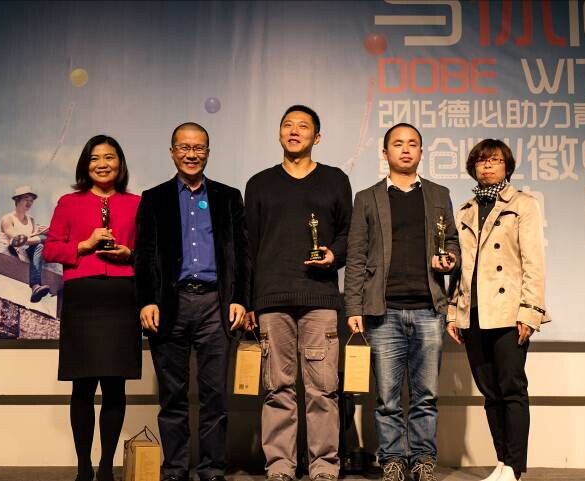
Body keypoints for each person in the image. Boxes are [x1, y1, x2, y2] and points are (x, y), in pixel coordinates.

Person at [344, 123, 460, 481]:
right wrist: (354, 308)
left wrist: (450, 259)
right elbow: (356, 256)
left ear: (421, 152)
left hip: (429, 309)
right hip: (383, 312)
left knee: (426, 395)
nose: (405, 149)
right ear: (385, 153)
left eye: (413, 144)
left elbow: (452, 241)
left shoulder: (439, 194)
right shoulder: (367, 198)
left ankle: (423, 459)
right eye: (398, 144)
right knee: (387, 397)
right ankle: (393, 459)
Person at [134, 122, 249, 481]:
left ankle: (212, 469)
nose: (191, 154)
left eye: (198, 148)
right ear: (172, 152)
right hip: (171, 305)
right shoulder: (154, 198)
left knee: (215, 396)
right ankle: (175, 469)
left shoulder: (228, 197)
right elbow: (144, 255)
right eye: (184, 147)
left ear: (208, 153)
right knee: (173, 396)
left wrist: (240, 299)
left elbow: (242, 254)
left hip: (216, 305)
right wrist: (147, 300)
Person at [244, 105, 353, 481]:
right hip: (271, 300)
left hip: (320, 298)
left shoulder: (335, 179)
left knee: (323, 389)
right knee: (277, 388)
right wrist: (250, 301)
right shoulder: (259, 184)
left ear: (316, 137)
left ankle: (324, 466)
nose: (294, 131)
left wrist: (334, 254)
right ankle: (280, 466)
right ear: (279, 133)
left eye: (303, 126)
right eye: (288, 125)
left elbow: (349, 233)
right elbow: (249, 247)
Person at [446, 139, 550, 481]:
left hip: (508, 312)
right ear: (473, 168)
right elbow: (461, 269)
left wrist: (530, 311)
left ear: (507, 167)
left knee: (512, 389)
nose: (487, 166)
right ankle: (503, 461)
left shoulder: (523, 205)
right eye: (481, 161)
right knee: (490, 393)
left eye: (494, 161)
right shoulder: (465, 210)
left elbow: (534, 262)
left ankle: (514, 466)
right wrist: (453, 311)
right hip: (473, 312)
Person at [43, 135, 141, 481]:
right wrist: (83, 245)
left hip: (121, 296)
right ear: (85, 165)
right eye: (95, 158)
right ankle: (84, 467)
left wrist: (130, 254)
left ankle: (106, 467)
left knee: (115, 386)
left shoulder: (137, 203)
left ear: (120, 163)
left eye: (109, 157)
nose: (102, 164)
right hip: (82, 298)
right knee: (82, 386)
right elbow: (50, 250)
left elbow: (150, 253)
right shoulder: (68, 203)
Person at [0, 186, 51, 302]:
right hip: (12, 248)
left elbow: (31, 240)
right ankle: (35, 286)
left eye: (31, 200)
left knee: (43, 241)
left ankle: (35, 287)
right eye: (26, 199)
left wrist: (44, 232)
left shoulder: (31, 220)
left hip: (26, 248)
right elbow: (14, 238)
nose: (29, 203)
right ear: (17, 199)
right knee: (40, 241)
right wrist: (38, 238)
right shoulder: (7, 218)